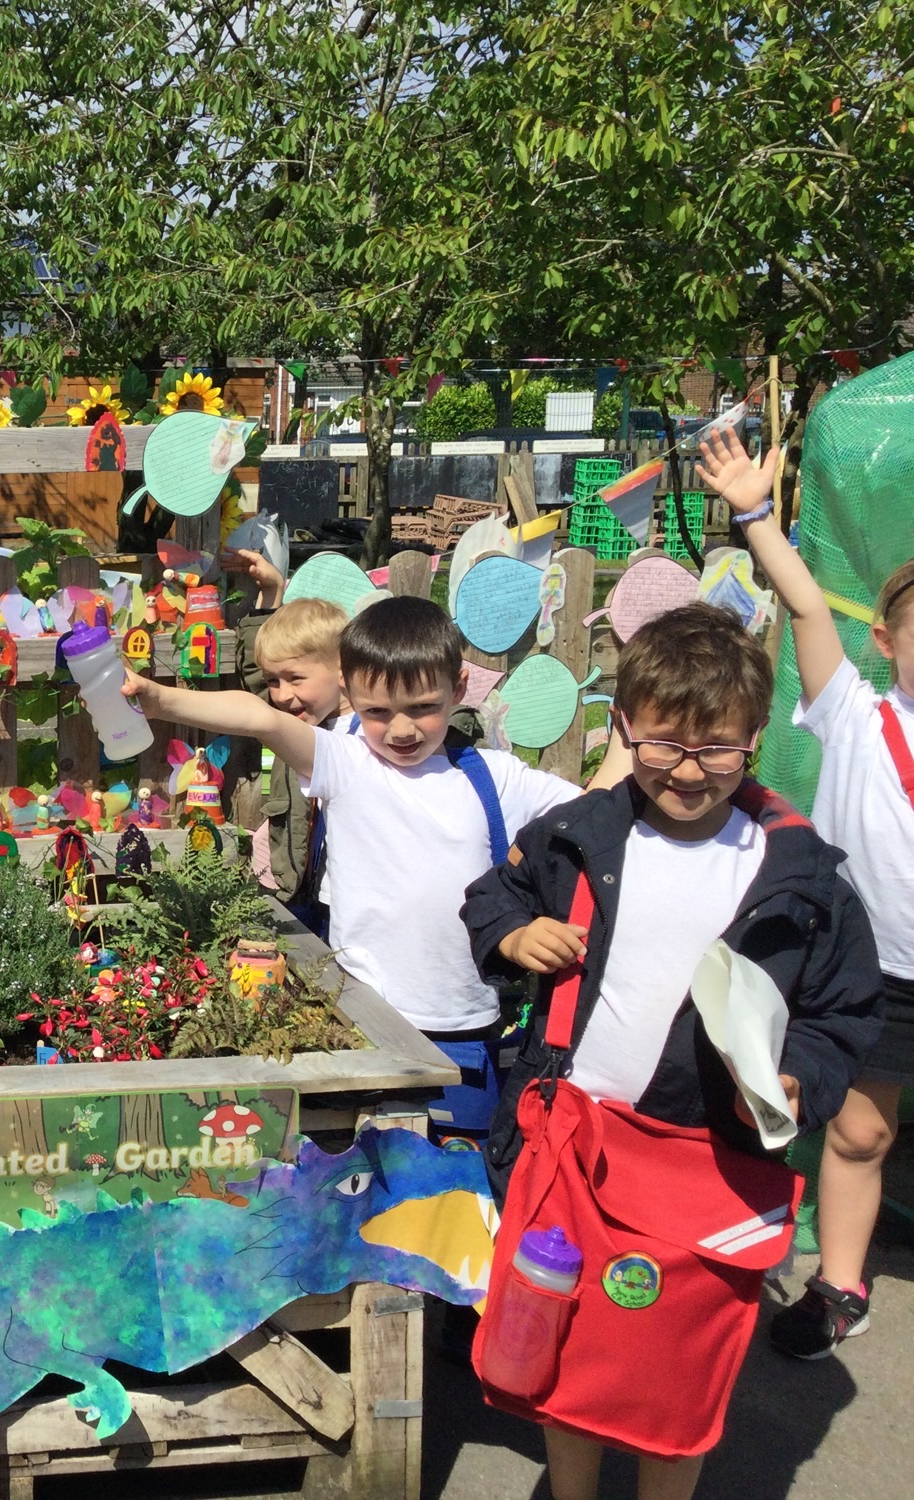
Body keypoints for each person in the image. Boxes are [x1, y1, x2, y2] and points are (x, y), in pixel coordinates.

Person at [462, 603, 881, 1500]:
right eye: (663, 745)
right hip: (573, 1137)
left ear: (755, 739)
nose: (688, 772)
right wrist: (514, 933)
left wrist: (800, 1076)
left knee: (676, 1385)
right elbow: (490, 898)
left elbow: (843, 1011)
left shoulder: (797, 875)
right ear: (623, 728)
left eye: (716, 749)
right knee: (563, 1364)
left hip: (709, 1157)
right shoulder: (579, 833)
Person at [126, 594, 602, 1043]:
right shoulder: (347, 761)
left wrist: (628, 733)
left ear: (457, 689)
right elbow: (261, 718)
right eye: (378, 711)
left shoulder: (494, 776)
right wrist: (157, 699)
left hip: (468, 1020)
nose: (401, 729)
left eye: (423, 708)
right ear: (349, 692)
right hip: (359, 1018)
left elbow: (597, 806)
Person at [697, 423, 914, 1358]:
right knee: (859, 1135)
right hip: (880, 974)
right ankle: (838, 1286)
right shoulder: (857, 715)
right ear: (888, 638)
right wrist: (753, 512)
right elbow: (805, 609)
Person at [241, 596, 349, 916]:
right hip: (299, 888)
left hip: (343, 901)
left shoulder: (365, 736)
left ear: (343, 669)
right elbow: (256, 680)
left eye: (295, 678)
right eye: (273, 681)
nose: (282, 695)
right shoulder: (297, 721)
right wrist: (270, 596)